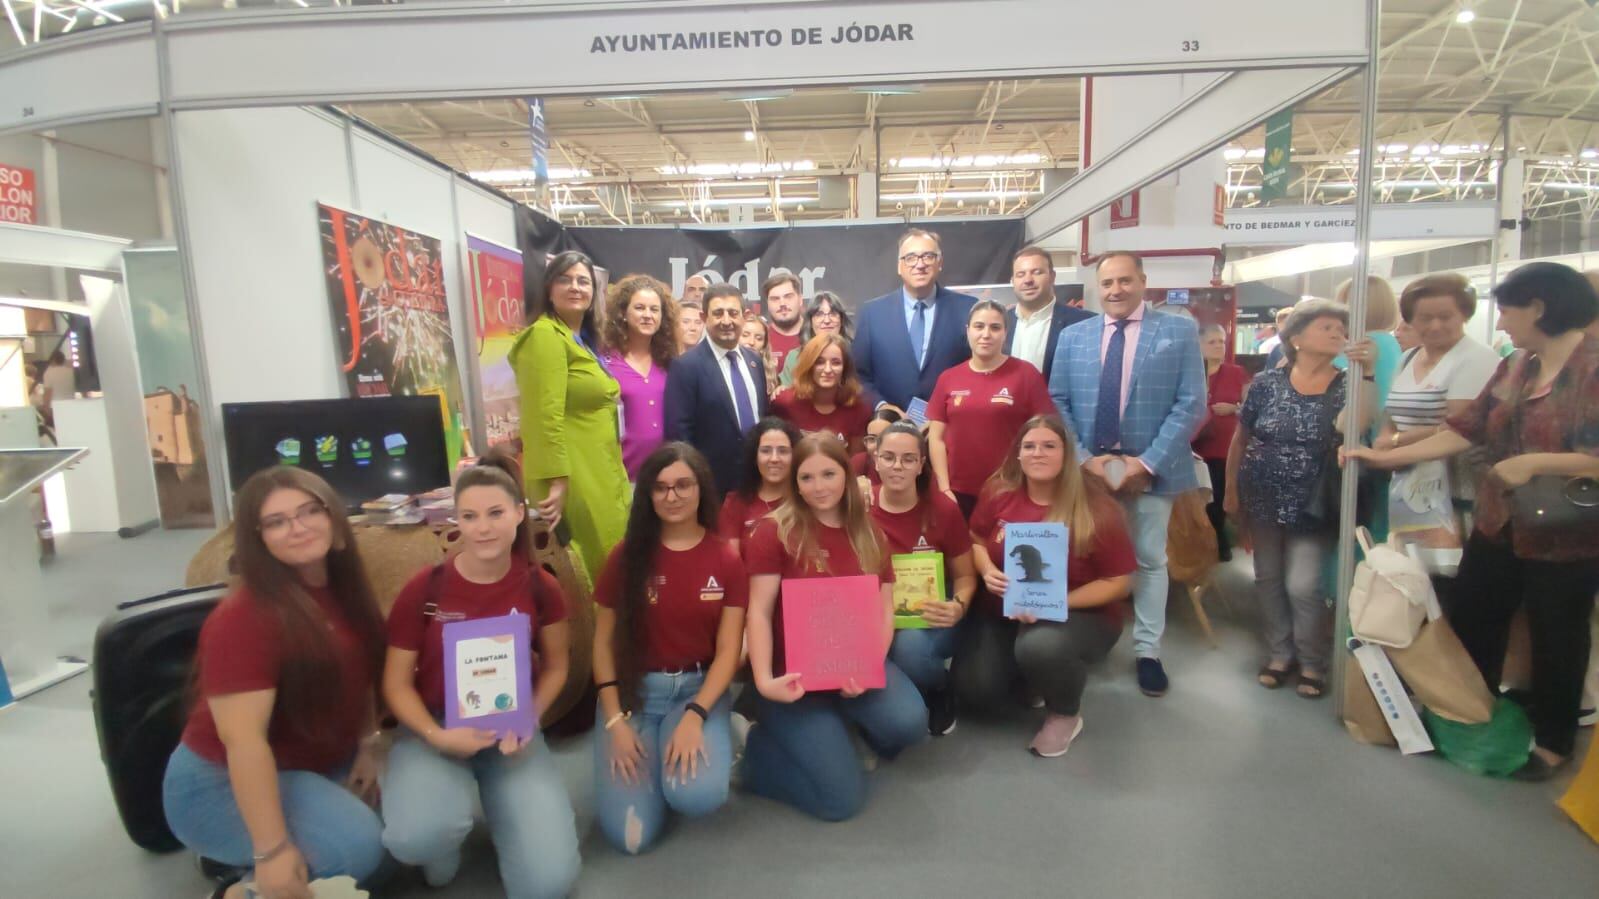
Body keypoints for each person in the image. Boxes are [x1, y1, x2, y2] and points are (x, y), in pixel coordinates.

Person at [1346, 262, 1599, 781]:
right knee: (1476, 619)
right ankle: (1472, 716)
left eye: (1506, 310)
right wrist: (1381, 458)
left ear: (1539, 308)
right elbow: (1466, 429)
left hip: (1566, 533)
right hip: (1500, 520)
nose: (1501, 322)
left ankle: (1553, 743)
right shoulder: (1519, 366)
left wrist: (1536, 464)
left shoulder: (1592, 369)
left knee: (1559, 635)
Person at [163, 468, 388, 899]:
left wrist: (367, 742)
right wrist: (272, 851)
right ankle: (241, 889)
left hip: (309, 762)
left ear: (333, 516)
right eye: (278, 521)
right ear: (258, 538)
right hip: (219, 782)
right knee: (359, 849)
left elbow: (360, 673)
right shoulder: (244, 618)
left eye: (309, 511)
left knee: (407, 827)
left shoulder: (341, 587)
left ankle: (240, 856)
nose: (299, 527)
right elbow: (243, 743)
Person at [380, 452, 579, 899]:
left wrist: (530, 717)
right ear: (456, 522)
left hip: (510, 726)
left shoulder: (539, 586)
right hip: (435, 724)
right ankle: (443, 828)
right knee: (416, 838)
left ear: (518, 515)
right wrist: (435, 735)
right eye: (469, 516)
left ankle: (497, 804)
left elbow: (558, 666)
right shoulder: (425, 588)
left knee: (548, 884)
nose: (483, 527)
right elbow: (394, 684)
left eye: (495, 513)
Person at [741, 434, 928, 821]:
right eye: (806, 477)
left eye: (829, 474)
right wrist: (763, 681)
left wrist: (868, 664)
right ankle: (754, 752)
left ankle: (838, 730)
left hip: (848, 669)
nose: (819, 487)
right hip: (792, 678)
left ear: (847, 474)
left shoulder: (869, 532)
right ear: (794, 481)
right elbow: (757, 612)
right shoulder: (772, 531)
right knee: (840, 802)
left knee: (909, 723)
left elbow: (884, 609)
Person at [1047, 251, 1207, 698]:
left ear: (1143, 281)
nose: (1115, 290)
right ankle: (1075, 642)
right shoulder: (1074, 336)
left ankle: (1148, 652)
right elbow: (1056, 400)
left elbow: (1192, 402)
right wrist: (1082, 459)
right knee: (1081, 556)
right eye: (1107, 283)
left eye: (1124, 281)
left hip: (1151, 468)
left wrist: (1147, 462)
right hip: (1088, 469)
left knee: (1150, 559)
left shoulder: (1177, 331)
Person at [591, 443, 746, 855]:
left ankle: (715, 734)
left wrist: (696, 716)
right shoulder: (625, 556)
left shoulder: (727, 558)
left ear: (701, 489)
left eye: (683, 485)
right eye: (660, 488)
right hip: (633, 696)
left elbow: (729, 650)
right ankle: (656, 758)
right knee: (632, 839)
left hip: (697, 692)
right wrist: (614, 723)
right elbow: (603, 644)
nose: (672, 496)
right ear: (647, 496)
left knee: (696, 796)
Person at [955, 416, 1135, 757]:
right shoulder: (999, 493)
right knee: (975, 689)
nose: (1038, 453)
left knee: (1040, 648)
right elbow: (975, 538)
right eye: (1030, 446)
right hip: (1004, 611)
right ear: (1018, 455)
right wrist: (987, 568)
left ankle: (1065, 712)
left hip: (1079, 614)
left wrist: (1058, 601)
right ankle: (1035, 675)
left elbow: (1119, 581)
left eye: (1049, 446)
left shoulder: (1098, 509)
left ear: (1067, 455)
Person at [1225, 300, 1372, 700]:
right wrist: (1231, 492)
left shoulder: (1348, 384)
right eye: (1326, 326)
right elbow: (1242, 438)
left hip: (1315, 498)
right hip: (1262, 493)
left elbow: (1358, 427)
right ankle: (1279, 653)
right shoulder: (1267, 383)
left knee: (1304, 584)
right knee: (1268, 577)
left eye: (1341, 327)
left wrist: (1368, 374)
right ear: (1297, 338)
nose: (1337, 332)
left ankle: (1312, 661)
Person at [511, 250, 629, 582]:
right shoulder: (544, 336)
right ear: (548, 289)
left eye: (583, 280)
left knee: (609, 557)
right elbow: (541, 416)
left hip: (599, 467)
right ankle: (594, 634)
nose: (574, 287)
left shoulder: (583, 340)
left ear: (594, 292)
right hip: (571, 476)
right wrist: (557, 481)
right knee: (588, 567)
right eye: (564, 279)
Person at [869, 420, 976, 736]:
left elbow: (967, 576)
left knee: (910, 649)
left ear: (921, 465)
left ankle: (938, 687)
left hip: (928, 615)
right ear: (875, 460)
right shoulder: (857, 506)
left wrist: (957, 605)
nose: (897, 466)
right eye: (888, 457)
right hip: (874, 613)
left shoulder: (943, 510)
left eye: (908, 459)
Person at [1379, 274, 1500, 540]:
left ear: (1464, 315)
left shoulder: (1476, 358)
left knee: (1451, 568)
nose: (1435, 326)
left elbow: (1459, 426)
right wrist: (1385, 437)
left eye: (1445, 317)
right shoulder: (1408, 357)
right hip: (1409, 481)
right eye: (1425, 318)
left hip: (1458, 484)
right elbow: (1392, 410)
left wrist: (1396, 442)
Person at [928, 300, 1057, 519]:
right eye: (979, 326)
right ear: (968, 331)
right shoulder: (948, 378)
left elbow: (1045, 436)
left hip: (1012, 489)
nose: (986, 334)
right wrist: (943, 487)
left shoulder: (1026, 375)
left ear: (1005, 333)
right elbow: (935, 438)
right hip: (958, 492)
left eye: (995, 327)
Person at [853, 228, 978, 411]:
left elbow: (980, 369)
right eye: (910, 257)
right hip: (890, 428)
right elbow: (858, 375)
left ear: (940, 262)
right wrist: (881, 406)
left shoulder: (967, 309)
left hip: (949, 425)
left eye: (928, 256)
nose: (920, 265)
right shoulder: (872, 314)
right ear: (899, 266)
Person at [664, 284, 770, 495]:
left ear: (745, 316)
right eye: (718, 313)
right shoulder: (686, 366)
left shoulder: (755, 362)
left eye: (733, 313)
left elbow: (762, 418)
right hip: (711, 486)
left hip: (758, 480)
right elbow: (679, 433)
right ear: (704, 318)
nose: (726, 321)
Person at [601, 274, 681, 480]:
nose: (648, 315)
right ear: (623, 313)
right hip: (621, 476)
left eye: (654, 309)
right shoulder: (606, 362)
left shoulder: (671, 363)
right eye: (639, 308)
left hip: (665, 476)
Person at [1192, 322, 1251, 562]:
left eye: (1221, 342)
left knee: (1219, 495)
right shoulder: (1190, 373)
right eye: (1212, 342)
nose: (1218, 347)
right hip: (1194, 446)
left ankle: (1219, 543)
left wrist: (1235, 409)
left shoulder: (1236, 373)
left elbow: (1251, 407)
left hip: (1225, 447)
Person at [770, 333, 873, 452]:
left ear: (845, 369)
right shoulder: (784, 403)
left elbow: (855, 462)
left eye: (836, 363)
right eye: (820, 362)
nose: (828, 369)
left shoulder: (858, 407)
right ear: (808, 365)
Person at [1004, 245, 1091, 380]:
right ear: (1013, 281)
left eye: (1037, 272)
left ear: (1052, 276)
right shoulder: (999, 323)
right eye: (1020, 274)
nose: (1028, 280)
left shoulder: (1083, 323)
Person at [719, 417, 801, 556]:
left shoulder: (804, 500)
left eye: (783, 451)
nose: (774, 459)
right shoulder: (735, 504)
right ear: (754, 457)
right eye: (766, 451)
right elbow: (731, 562)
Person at [777, 290, 855, 387]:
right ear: (810, 321)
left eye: (833, 314)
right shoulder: (795, 357)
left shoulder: (856, 354)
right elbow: (786, 396)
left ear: (842, 320)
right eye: (819, 314)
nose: (826, 320)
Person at [761, 269, 806, 373]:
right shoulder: (760, 339)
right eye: (775, 299)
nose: (782, 303)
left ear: (800, 300)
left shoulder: (815, 335)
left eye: (788, 297)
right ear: (767, 304)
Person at [851, 407, 902, 485]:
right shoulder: (859, 462)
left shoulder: (909, 468)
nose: (878, 445)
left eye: (885, 438)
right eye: (871, 439)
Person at [739, 315, 780, 397]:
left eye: (759, 338)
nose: (751, 342)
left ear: (764, 345)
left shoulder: (772, 376)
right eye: (745, 335)